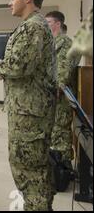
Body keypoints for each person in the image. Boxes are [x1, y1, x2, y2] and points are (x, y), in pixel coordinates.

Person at [0, 0, 56, 211]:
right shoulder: (33, 26)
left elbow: (18, 66)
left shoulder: (33, 27)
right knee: (34, 168)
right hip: (29, 110)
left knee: (28, 169)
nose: (10, 3)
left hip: (29, 113)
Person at [45, 11, 80, 165]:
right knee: (55, 131)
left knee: (61, 131)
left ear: (57, 24)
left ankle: (64, 168)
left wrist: (55, 89)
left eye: (48, 23)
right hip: (53, 95)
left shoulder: (65, 42)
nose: (45, 26)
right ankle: (59, 165)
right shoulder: (53, 43)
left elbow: (63, 72)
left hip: (60, 97)